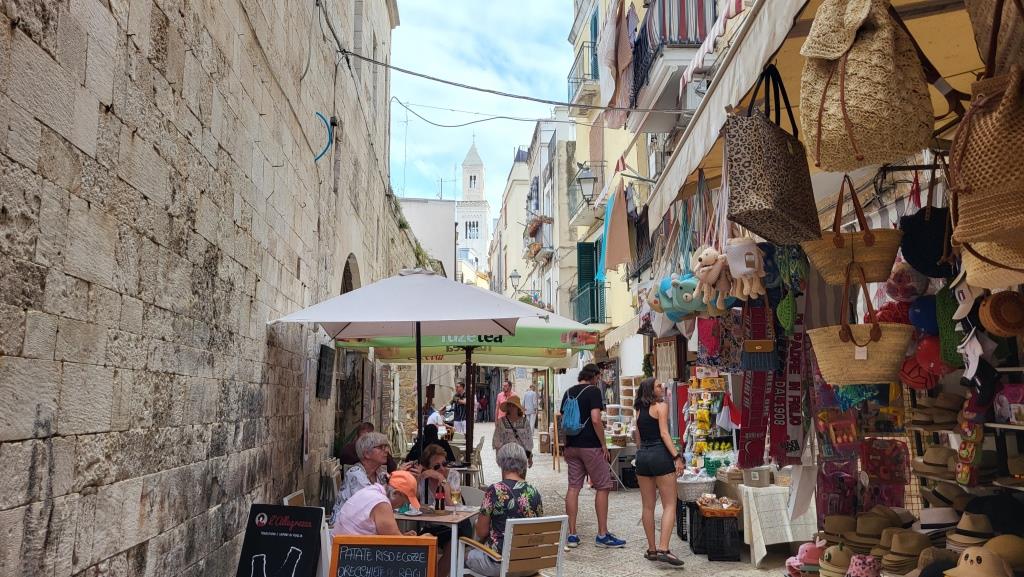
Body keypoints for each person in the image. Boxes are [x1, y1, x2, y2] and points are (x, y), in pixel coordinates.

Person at [559, 363, 625, 550]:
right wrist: (603, 444)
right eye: (598, 377)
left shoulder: (568, 392)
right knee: (603, 486)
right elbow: (595, 419)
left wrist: (566, 445)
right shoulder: (594, 391)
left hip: (572, 446)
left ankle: (572, 534)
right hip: (590, 446)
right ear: (594, 376)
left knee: (573, 488)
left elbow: (563, 419)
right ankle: (602, 535)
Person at [465, 443, 544, 576]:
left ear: (500, 462)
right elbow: (538, 530)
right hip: (530, 564)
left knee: (465, 555)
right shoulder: (534, 492)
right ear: (523, 463)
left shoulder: (495, 490)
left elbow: (481, 532)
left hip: (501, 564)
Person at [632, 378, 685, 567]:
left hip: (642, 457)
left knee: (647, 506)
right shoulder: (661, 406)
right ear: (650, 390)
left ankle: (652, 549)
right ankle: (664, 548)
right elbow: (664, 433)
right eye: (658, 386)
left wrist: (641, 453)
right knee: (670, 504)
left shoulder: (639, 409)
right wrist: (677, 456)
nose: (662, 387)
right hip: (660, 456)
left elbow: (637, 436)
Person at [332, 470, 420, 537]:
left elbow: (391, 536)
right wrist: (421, 539)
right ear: (395, 493)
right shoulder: (381, 503)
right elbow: (394, 542)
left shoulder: (371, 490)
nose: (401, 506)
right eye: (404, 503)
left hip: (345, 546)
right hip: (350, 551)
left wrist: (403, 537)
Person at [334, 432, 392, 519]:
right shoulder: (355, 474)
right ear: (366, 454)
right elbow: (375, 503)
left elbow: (390, 495)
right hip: (346, 524)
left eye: (386, 446)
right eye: (381, 447)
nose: (387, 450)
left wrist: (400, 476)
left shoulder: (379, 473)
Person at [492, 395, 534, 468]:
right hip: (506, 458)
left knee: (520, 475)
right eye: (509, 405)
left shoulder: (525, 422)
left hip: (521, 457)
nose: (511, 407)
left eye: (513, 405)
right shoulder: (501, 422)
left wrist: (530, 457)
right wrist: (498, 457)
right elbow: (497, 440)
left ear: (518, 407)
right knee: (508, 475)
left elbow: (529, 440)